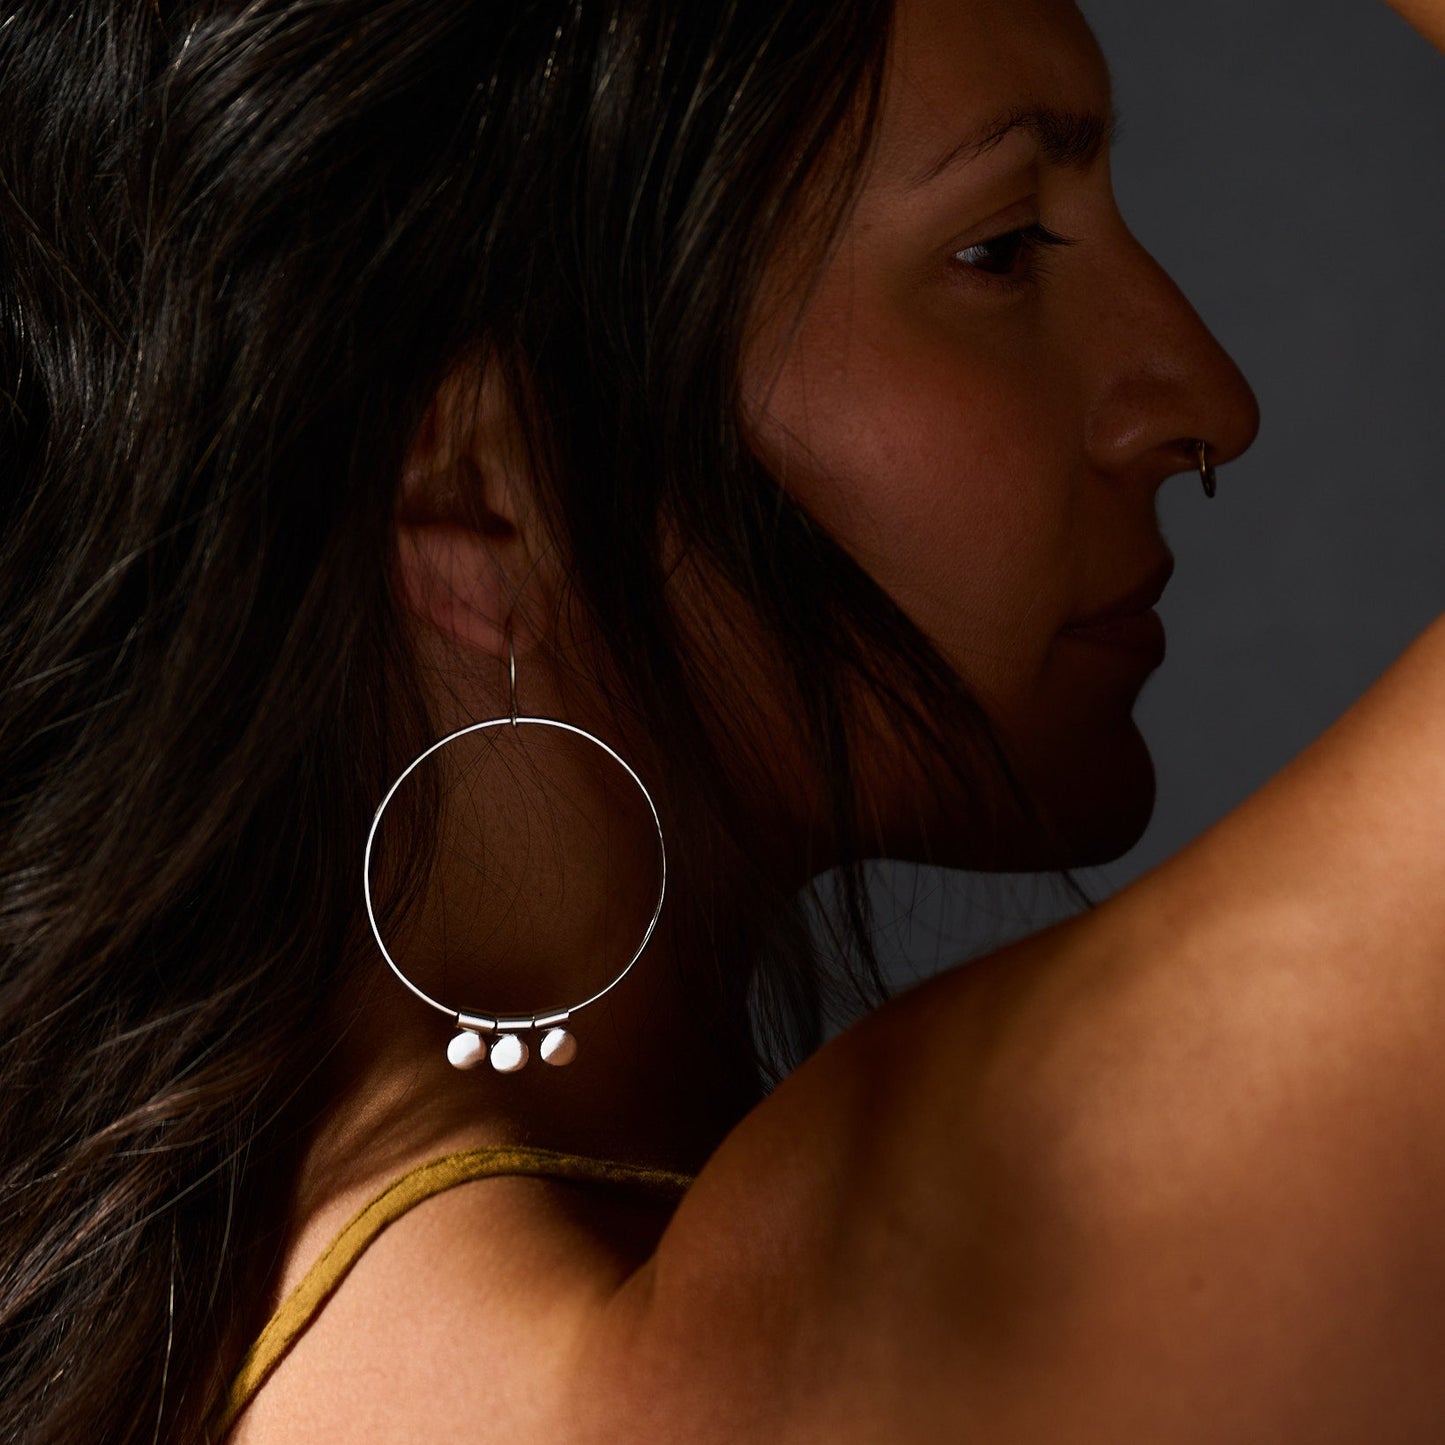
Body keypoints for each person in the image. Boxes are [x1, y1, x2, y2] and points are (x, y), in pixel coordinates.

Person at [0, 0, 1440, 1440]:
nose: (1205, 404)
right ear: (478, 493)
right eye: (998, 251)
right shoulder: (782, 1342)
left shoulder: (260, 1288)